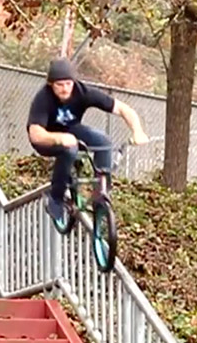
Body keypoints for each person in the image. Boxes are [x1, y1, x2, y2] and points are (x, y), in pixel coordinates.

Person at [26, 58, 149, 222]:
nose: (65, 89)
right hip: (46, 139)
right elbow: (35, 134)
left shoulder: (82, 92)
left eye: (68, 84)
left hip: (72, 130)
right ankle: (55, 198)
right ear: (50, 84)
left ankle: (101, 192)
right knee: (69, 150)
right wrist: (59, 138)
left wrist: (137, 131)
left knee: (103, 142)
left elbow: (123, 109)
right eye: (59, 85)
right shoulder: (43, 98)